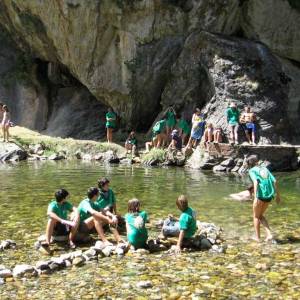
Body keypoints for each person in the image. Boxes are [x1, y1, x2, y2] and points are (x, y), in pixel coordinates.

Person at [247, 155, 281, 242]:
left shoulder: (252, 170)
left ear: (249, 163)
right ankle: (269, 234)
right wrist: (278, 196)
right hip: (269, 196)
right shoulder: (264, 169)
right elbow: (275, 181)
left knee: (255, 216)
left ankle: (258, 238)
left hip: (260, 196)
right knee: (260, 215)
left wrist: (255, 197)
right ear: (257, 161)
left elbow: (255, 182)